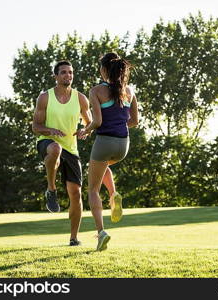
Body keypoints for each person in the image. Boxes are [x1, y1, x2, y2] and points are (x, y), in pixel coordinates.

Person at [79, 52, 139, 251]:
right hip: (123, 145)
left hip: (104, 142)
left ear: (104, 70)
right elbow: (134, 121)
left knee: (93, 189)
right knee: (102, 167)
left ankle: (101, 233)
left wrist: (84, 131)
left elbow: (97, 122)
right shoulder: (129, 91)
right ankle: (114, 195)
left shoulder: (95, 91)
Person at [32, 60, 91, 246]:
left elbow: (90, 123)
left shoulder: (81, 98)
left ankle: (73, 238)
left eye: (71, 72)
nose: (68, 75)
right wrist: (49, 131)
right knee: (55, 149)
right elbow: (35, 127)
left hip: (71, 148)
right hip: (47, 142)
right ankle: (51, 189)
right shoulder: (45, 97)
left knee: (76, 193)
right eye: (64, 72)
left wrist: (84, 130)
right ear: (56, 76)